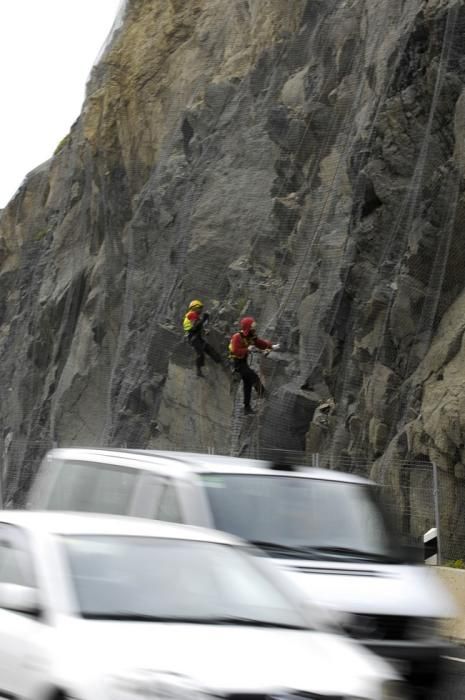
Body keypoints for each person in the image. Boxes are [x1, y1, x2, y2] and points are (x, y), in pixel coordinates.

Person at [229, 316, 279, 415]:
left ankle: (247, 408)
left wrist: (271, 346)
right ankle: (263, 393)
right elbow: (235, 350)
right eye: (252, 326)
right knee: (252, 376)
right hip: (236, 363)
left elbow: (260, 343)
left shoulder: (251, 336)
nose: (254, 328)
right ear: (248, 327)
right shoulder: (237, 337)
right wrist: (247, 350)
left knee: (247, 385)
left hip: (243, 361)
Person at [183, 299, 222, 377]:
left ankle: (219, 360)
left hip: (196, 336)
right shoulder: (192, 314)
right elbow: (195, 327)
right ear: (194, 308)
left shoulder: (196, 316)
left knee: (208, 348)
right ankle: (198, 370)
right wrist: (204, 319)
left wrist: (205, 329)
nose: (201, 309)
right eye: (200, 308)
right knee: (200, 353)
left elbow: (199, 327)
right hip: (193, 338)